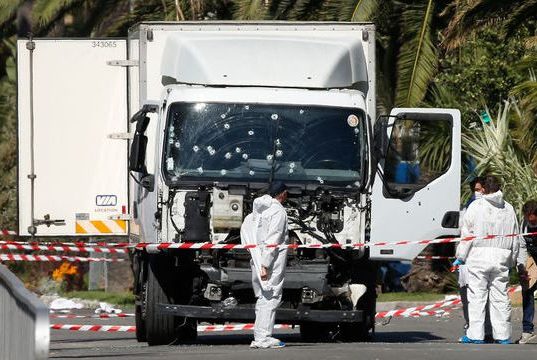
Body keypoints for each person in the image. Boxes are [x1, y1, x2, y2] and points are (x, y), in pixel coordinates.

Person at [456, 175, 522, 344]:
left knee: (477, 297)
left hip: (479, 257)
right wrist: (513, 260)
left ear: (483, 189)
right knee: (500, 297)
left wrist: (460, 257)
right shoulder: (509, 208)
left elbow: (467, 234)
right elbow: (515, 237)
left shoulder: (476, 206)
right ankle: (503, 335)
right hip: (501, 257)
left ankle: (475, 335)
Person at [240, 181, 289, 349]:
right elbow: (274, 238)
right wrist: (266, 264)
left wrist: (257, 257)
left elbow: (246, 231)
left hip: (257, 257)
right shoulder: (278, 211)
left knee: (263, 297)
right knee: (271, 296)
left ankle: (260, 335)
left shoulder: (258, 210)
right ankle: (263, 338)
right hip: (271, 261)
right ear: (282, 194)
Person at [517, 200, 537, 344]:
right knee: (527, 291)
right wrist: (522, 267)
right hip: (533, 261)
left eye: (532, 218)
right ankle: (527, 330)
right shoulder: (523, 225)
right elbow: (522, 248)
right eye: (526, 216)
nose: (529, 221)